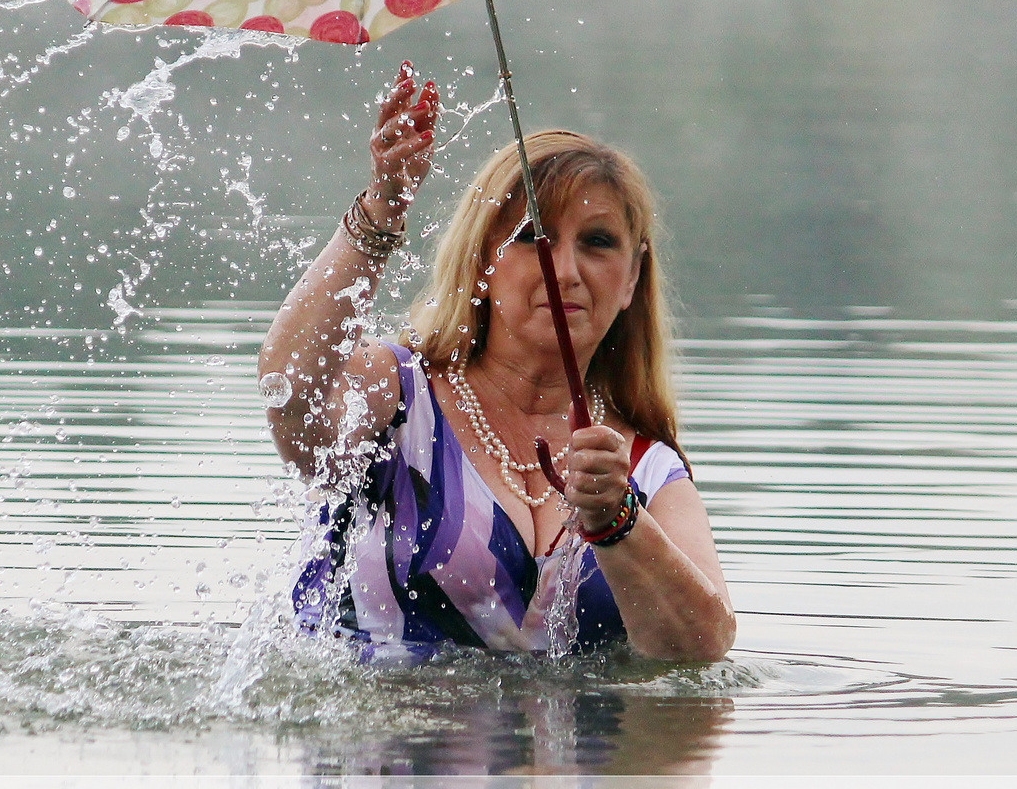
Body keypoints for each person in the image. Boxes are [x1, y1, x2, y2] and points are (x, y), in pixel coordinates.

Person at [259, 61, 734, 663]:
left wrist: (619, 522)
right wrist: (381, 210)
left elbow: (702, 651)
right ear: (482, 261)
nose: (566, 269)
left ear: (633, 275)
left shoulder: (645, 469)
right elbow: (290, 389)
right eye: (533, 236)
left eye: (597, 241)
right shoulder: (400, 395)